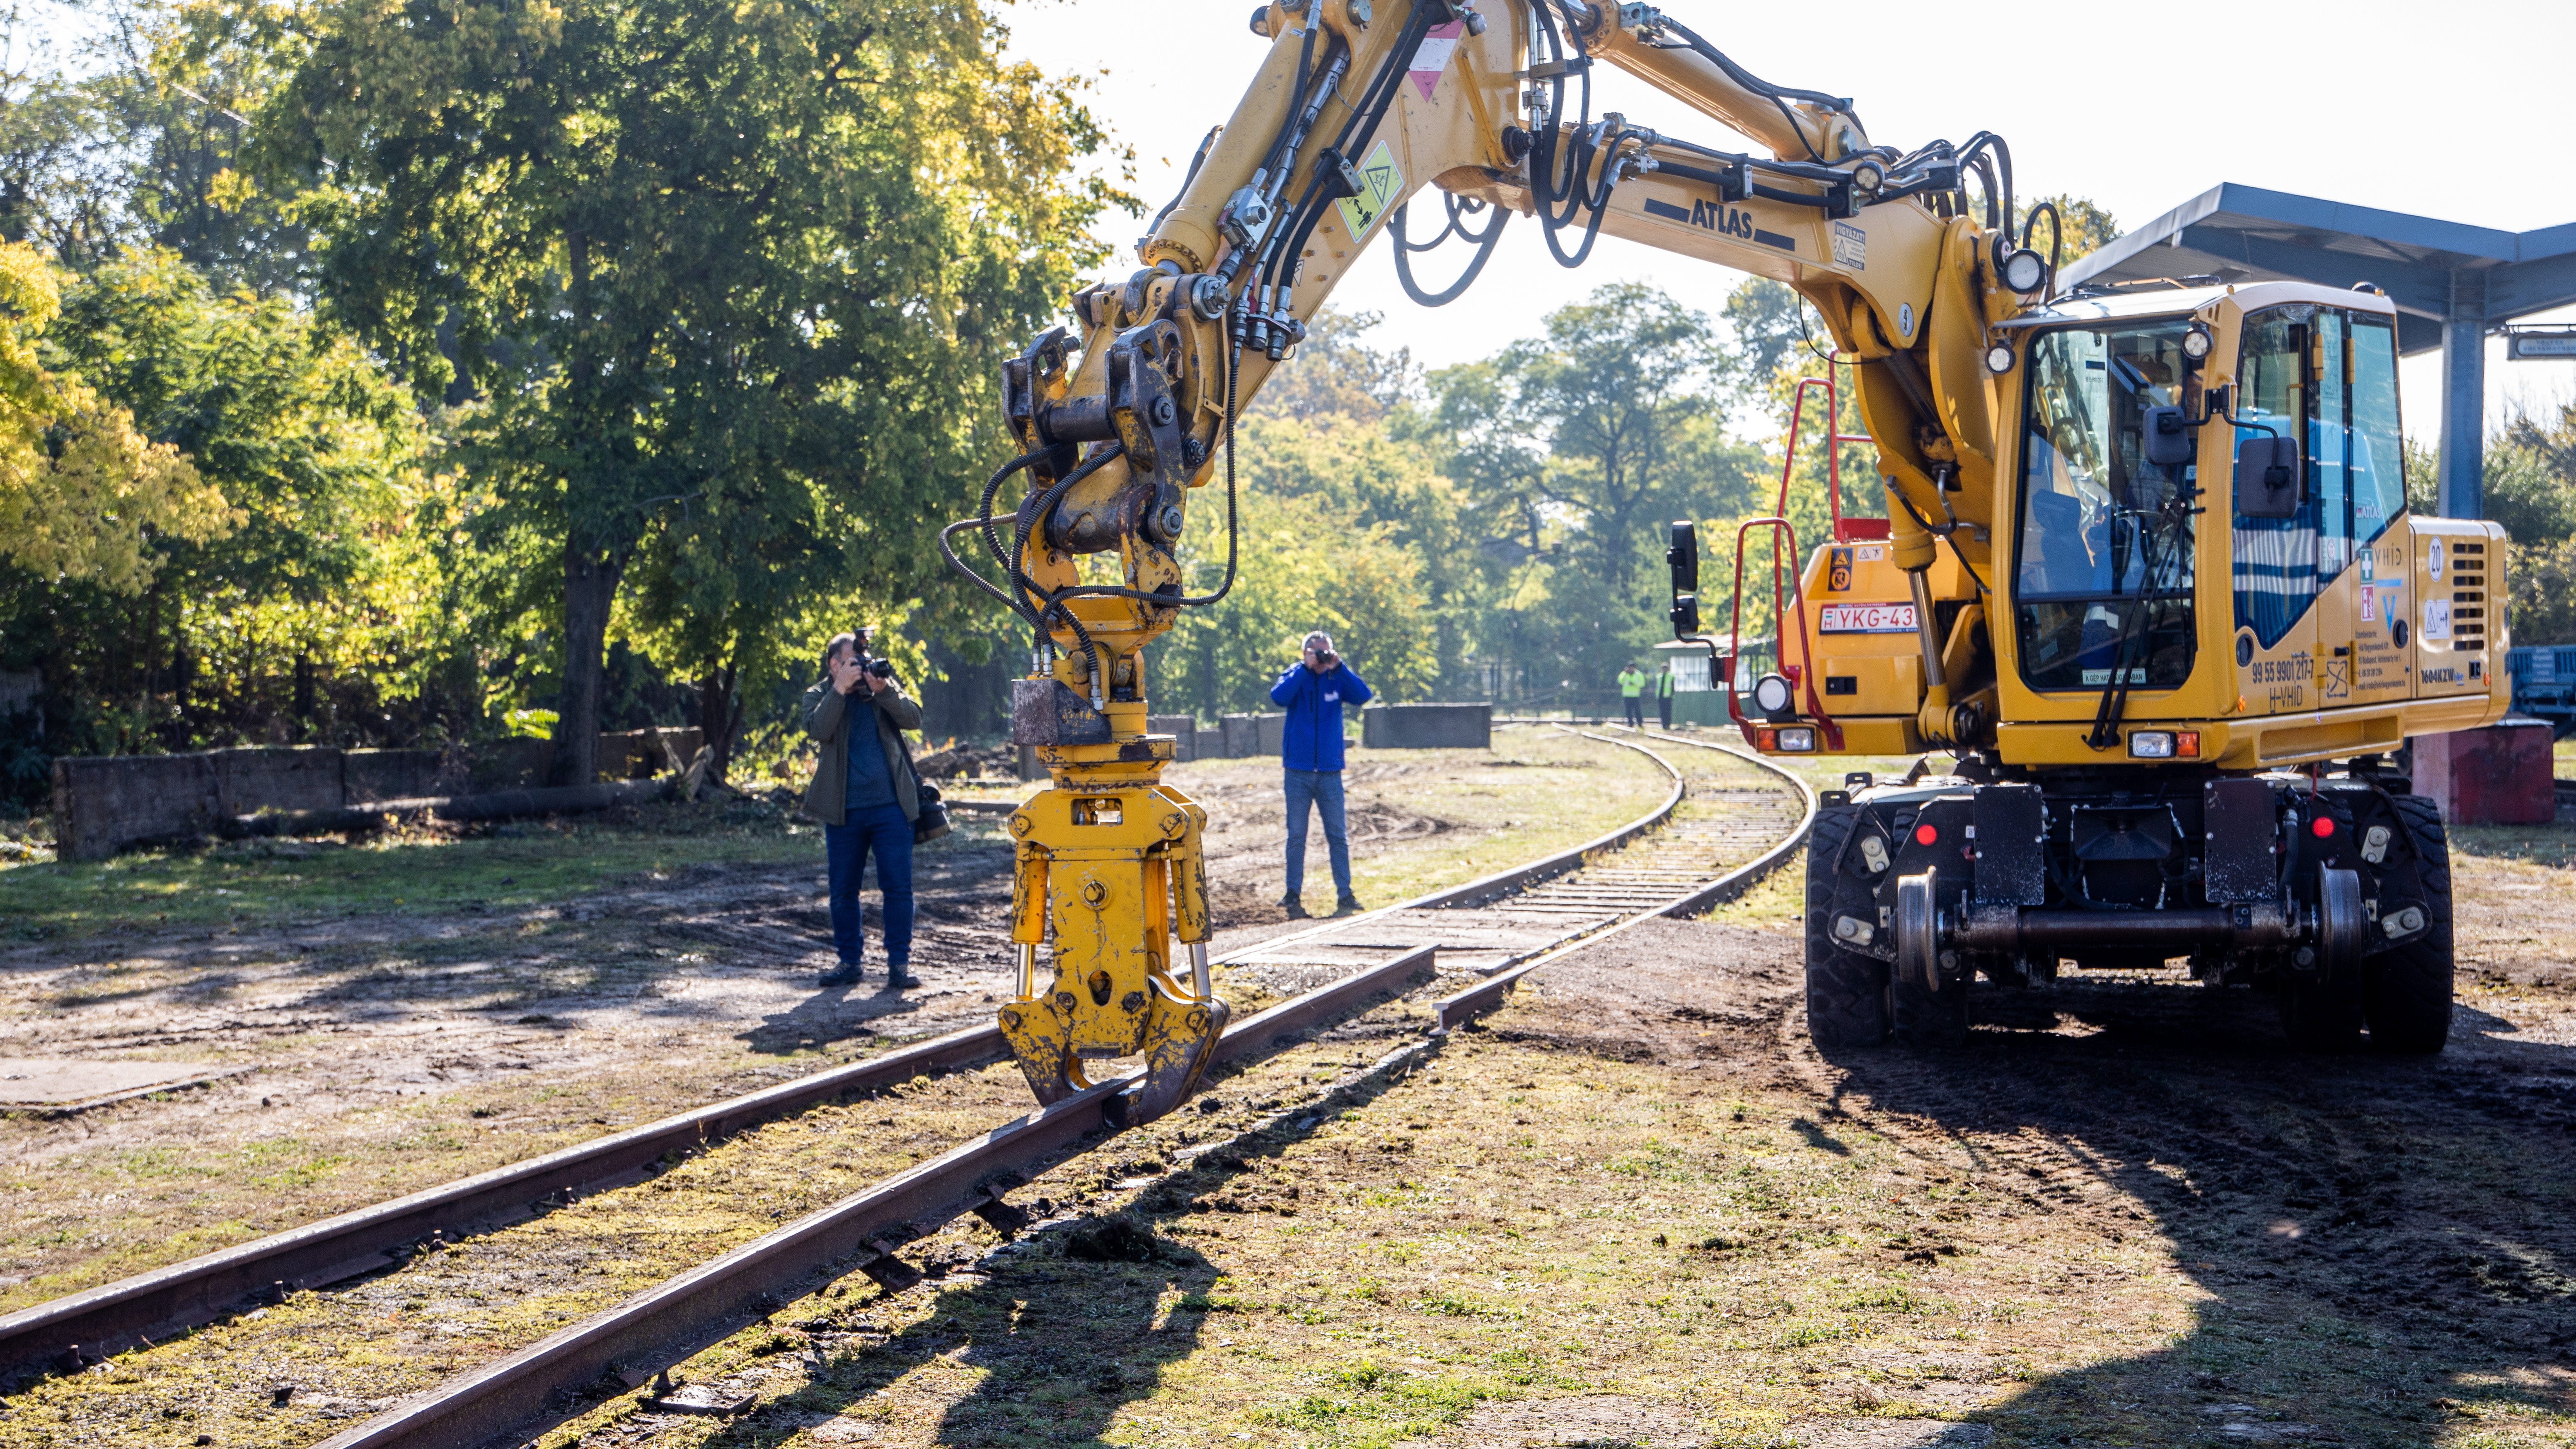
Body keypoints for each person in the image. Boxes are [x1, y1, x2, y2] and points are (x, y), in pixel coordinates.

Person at [801, 632, 924, 989]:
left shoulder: (879, 687)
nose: (861, 666)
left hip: (891, 808)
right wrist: (839, 690)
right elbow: (818, 728)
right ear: (834, 664)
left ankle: (898, 965)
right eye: (853, 661)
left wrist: (884, 690)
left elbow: (914, 718)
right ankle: (849, 962)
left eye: (863, 658)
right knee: (843, 890)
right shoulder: (818, 694)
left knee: (898, 888)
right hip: (843, 811)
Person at [1270, 630, 1372, 919]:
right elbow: (1279, 697)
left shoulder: (1336, 678)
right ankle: (1293, 893)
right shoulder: (1294, 675)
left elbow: (1363, 696)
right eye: (1317, 651)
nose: (1322, 655)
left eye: (1326, 650)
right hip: (1298, 770)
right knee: (1297, 836)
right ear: (1305, 653)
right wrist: (1305, 668)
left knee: (1338, 835)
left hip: (1329, 771)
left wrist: (1338, 667)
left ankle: (1345, 893)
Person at [1617, 661, 1647, 728]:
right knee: (1628, 711)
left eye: (1633, 667)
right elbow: (1620, 681)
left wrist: (1635, 684)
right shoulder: (1624, 674)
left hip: (1635, 696)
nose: (1631, 669)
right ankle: (1630, 723)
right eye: (1630, 667)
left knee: (1637, 711)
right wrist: (1625, 673)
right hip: (1627, 695)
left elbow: (1643, 684)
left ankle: (1640, 723)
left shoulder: (1639, 675)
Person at [1655, 659, 1675, 730]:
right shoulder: (1659, 676)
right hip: (1661, 697)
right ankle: (1663, 725)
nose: (1665, 669)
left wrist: (1672, 694)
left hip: (1668, 697)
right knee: (1662, 711)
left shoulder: (1671, 676)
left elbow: (1673, 686)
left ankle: (1668, 725)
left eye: (1666, 668)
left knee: (1668, 712)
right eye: (1663, 668)